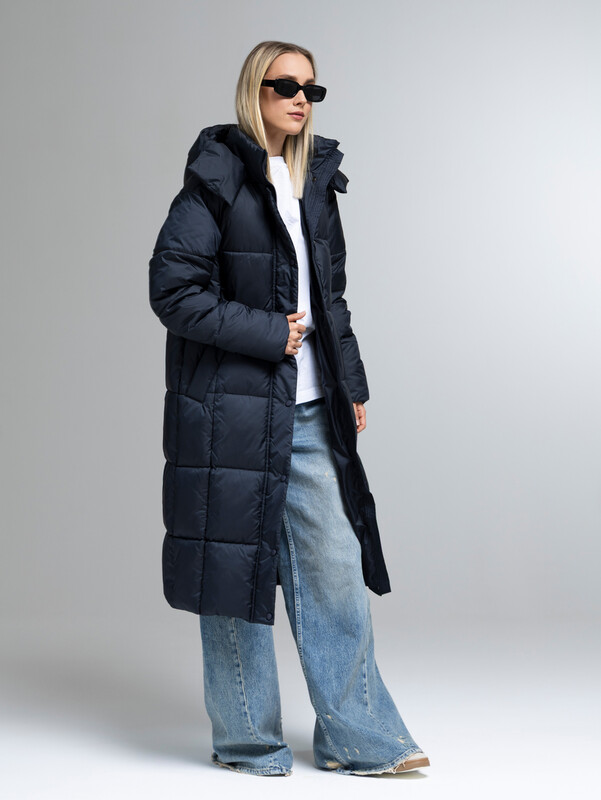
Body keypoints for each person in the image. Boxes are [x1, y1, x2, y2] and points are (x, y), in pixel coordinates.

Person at [148, 39, 430, 777]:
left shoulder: (314, 181)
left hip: (308, 410)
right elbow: (173, 292)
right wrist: (270, 333)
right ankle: (247, 743)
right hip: (230, 411)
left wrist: (350, 383)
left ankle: (359, 740)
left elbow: (330, 299)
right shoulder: (216, 177)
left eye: (312, 89)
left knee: (334, 572)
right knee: (233, 578)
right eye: (285, 85)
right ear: (255, 90)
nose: (301, 99)